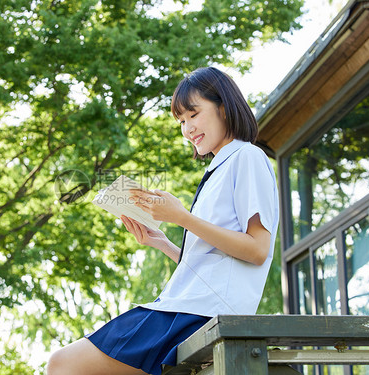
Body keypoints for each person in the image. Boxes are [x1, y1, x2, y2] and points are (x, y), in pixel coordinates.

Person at [47, 67, 279, 375]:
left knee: (63, 365)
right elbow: (215, 262)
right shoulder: (219, 169)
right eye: (181, 121)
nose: (187, 129)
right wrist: (163, 243)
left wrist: (182, 217)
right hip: (190, 306)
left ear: (223, 108)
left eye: (193, 115)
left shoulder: (247, 157)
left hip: (196, 312)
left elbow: (257, 249)